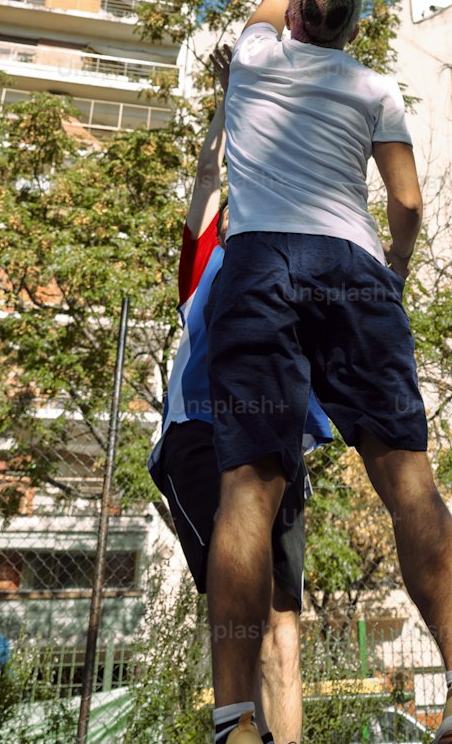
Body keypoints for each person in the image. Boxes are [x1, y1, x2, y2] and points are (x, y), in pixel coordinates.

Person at [203, 0, 452, 744]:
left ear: (297, 18)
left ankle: (232, 723)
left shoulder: (256, 54)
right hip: (351, 267)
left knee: (248, 489)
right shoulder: (374, 85)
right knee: (406, 478)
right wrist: (393, 275)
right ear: (351, 31)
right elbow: (406, 202)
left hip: (260, 262)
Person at [149, 45, 329, 744]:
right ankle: (235, 726)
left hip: (271, 441)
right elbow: (207, 172)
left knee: (285, 638)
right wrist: (236, 95)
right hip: (199, 435)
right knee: (245, 626)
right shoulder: (206, 262)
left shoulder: (292, 260)